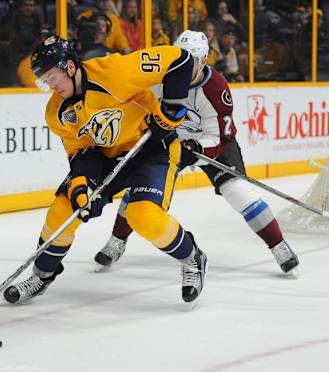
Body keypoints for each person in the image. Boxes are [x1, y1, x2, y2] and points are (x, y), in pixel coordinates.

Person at [3, 36, 207, 307]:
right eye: (45, 81)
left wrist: (172, 107)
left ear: (71, 67)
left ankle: (192, 257)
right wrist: (81, 186)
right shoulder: (57, 112)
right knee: (63, 211)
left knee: (142, 215)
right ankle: (42, 275)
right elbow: (81, 152)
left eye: (53, 77)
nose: (51, 86)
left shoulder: (114, 72)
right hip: (107, 157)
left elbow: (179, 59)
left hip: (152, 147)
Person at [94, 30, 300, 276]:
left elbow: (220, 136)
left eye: (189, 60)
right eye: (177, 57)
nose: (180, 66)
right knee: (141, 189)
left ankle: (278, 245)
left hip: (213, 144)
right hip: (172, 142)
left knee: (238, 192)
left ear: (203, 61)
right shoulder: (160, 79)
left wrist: (199, 148)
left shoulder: (215, 88)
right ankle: (118, 241)